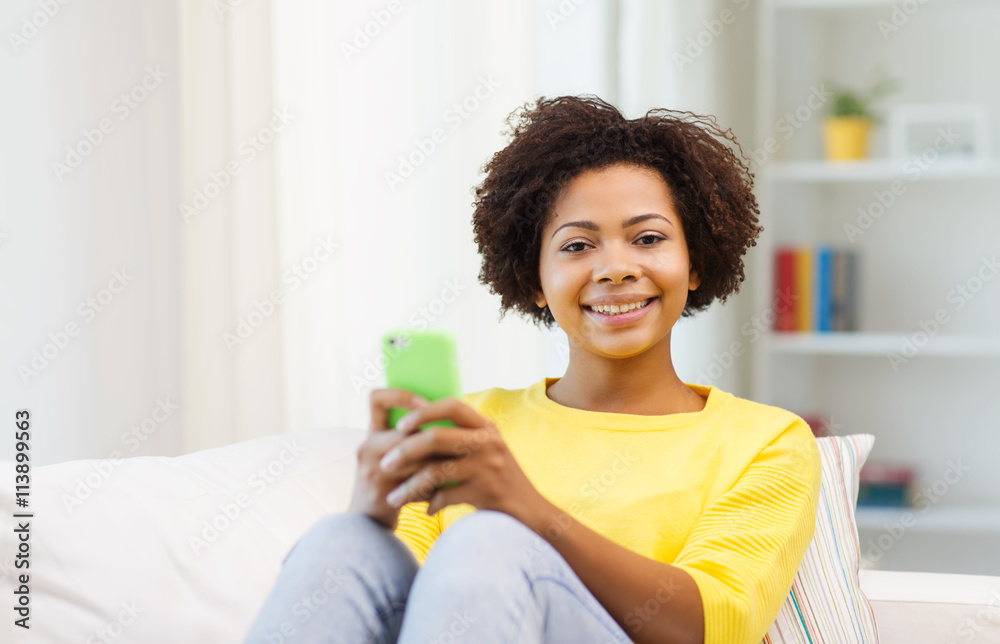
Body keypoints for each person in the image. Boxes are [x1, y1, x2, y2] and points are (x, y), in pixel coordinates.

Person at [243, 95, 821, 644]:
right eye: (576, 247)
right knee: (340, 540)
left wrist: (524, 508)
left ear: (695, 263)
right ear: (534, 281)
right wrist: (375, 512)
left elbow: (709, 626)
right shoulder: (471, 422)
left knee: (488, 538)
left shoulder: (767, 442)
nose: (616, 268)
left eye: (647, 238)